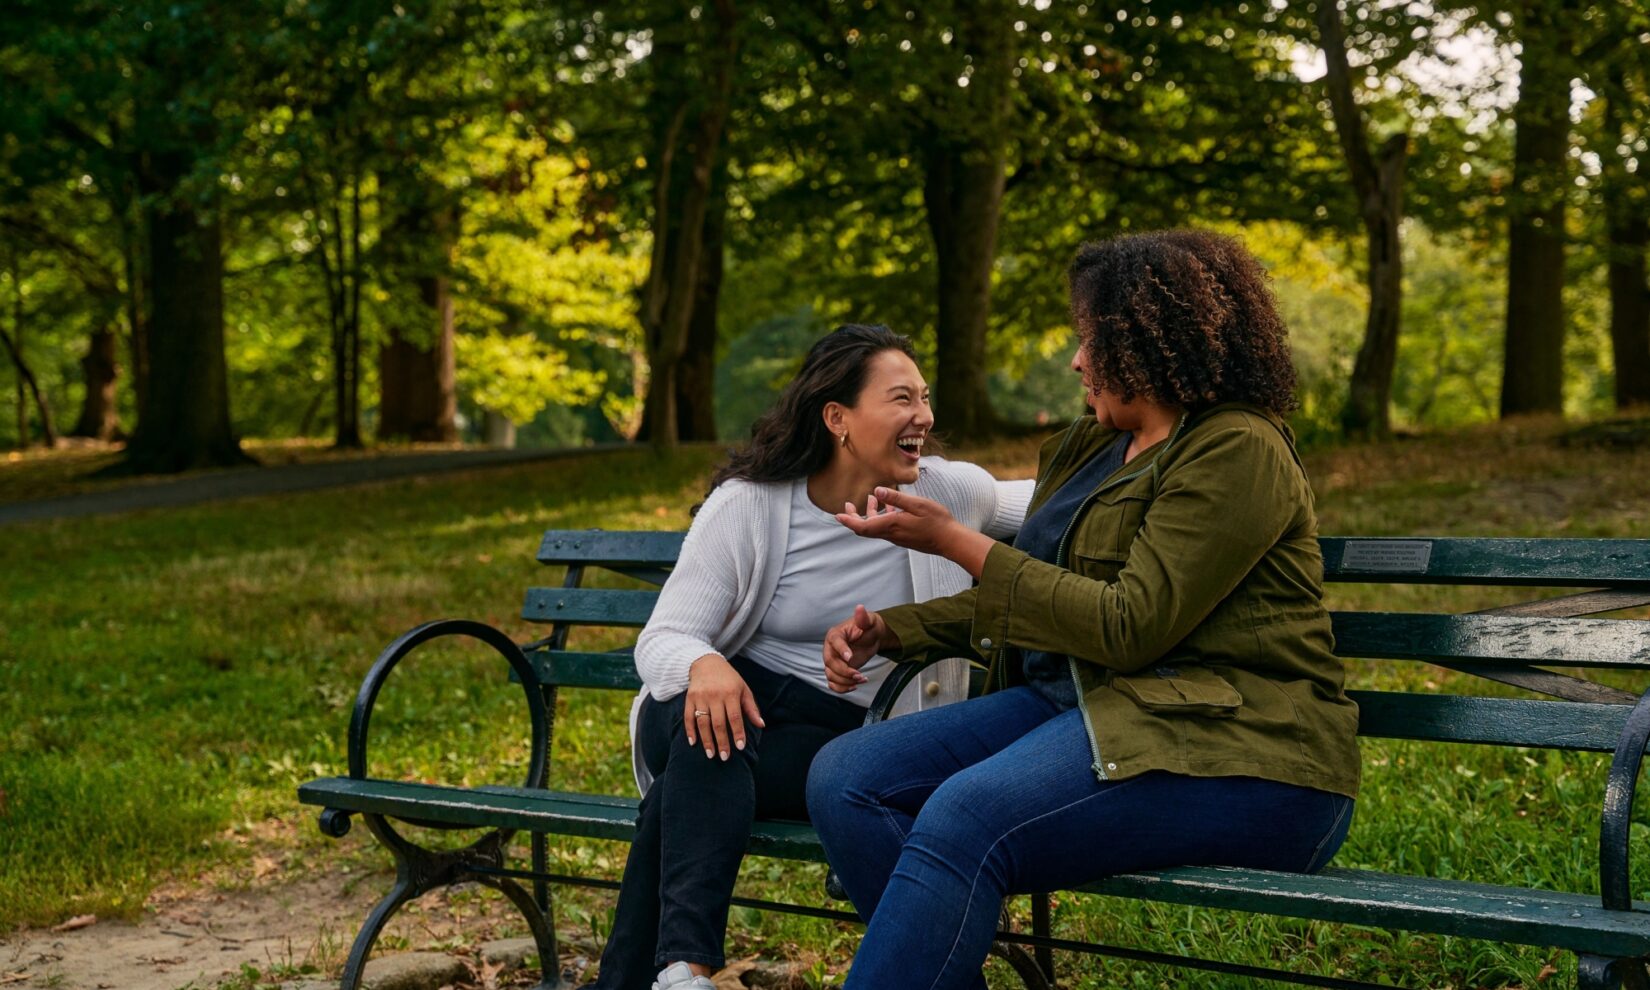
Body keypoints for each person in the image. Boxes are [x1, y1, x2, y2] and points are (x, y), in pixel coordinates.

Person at [808, 230, 1361, 989]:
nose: (1077, 361)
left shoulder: (1239, 450)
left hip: (1245, 750)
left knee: (966, 816)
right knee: (846, 776)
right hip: (1083, 704)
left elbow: (1126, 626)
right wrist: (894, 631)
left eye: (1092, 341)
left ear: (1148, 344)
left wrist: (956, 543)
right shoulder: (1092, 447)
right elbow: (1042, 589)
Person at [589, 324, 1033, 990]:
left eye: (925, 397)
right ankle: (684, 969)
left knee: (692, 773)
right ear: (838, 418)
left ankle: (668, 973)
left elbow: (1047, 500)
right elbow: (662, 641)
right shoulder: (752, 505)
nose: (926, 416)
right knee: (703, 723)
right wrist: (705, 666)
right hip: (718, 704)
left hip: (834, 742)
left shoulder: (944, 492)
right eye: (902, 398)